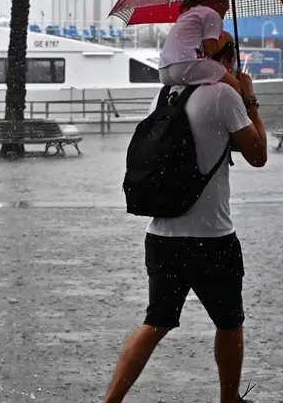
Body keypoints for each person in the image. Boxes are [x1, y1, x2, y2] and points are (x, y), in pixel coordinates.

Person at [103, 32, 267, 403]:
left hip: (162, 235)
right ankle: (229, 400)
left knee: (155, 322)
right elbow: (257, 154)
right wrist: (249, 97)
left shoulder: (165, 94)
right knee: (229, 323)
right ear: (226, 60)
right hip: (213, 237)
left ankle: (111, 401)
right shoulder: (224, 95)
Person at [158, 0, 242, 93]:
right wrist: (226, 39)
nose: (228, 7)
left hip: (164, 71)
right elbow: (210, 49)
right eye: (227, 0)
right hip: (188, 64)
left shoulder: (188, 15)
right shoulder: (211, 14)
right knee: (235, 84)